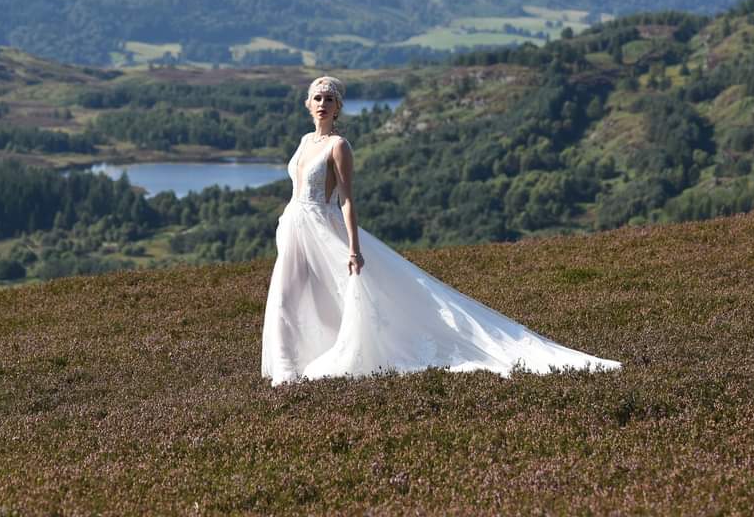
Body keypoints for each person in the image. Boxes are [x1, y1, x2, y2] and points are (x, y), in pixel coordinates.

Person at [261, 75, 622, 387]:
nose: (323, 104)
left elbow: (347, 201)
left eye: (330, 99)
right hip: (294, 227)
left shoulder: (339, 146)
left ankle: (291, 375)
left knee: (344, 295)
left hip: (324, 229)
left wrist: (354, 249)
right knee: (285, 298)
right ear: (308, 104)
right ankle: (286, 369)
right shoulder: (305, 142)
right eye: (318, 98)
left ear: (338, 107)